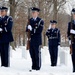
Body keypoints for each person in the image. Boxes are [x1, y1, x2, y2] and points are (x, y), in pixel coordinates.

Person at [26, 7, 44, 71]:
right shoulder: (30, 20)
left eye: (34, 12)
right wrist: (28, 29)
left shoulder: (40, 21)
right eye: (32, 12)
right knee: (32, 54)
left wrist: (32, 29)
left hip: (37, 40)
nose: (33, 13)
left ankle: (38, 66)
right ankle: (33, 65)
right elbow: (26, 30)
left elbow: (39, 30)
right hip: (31, 40)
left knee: (37, 54)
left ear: (37, 13)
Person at [67, 8, 75, 72]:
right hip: (73, 42)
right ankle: (74, 68)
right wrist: (69, 39)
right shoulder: (70, 23)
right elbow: (68, 33)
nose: (74, 15)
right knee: (73, 56)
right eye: (73, 14)